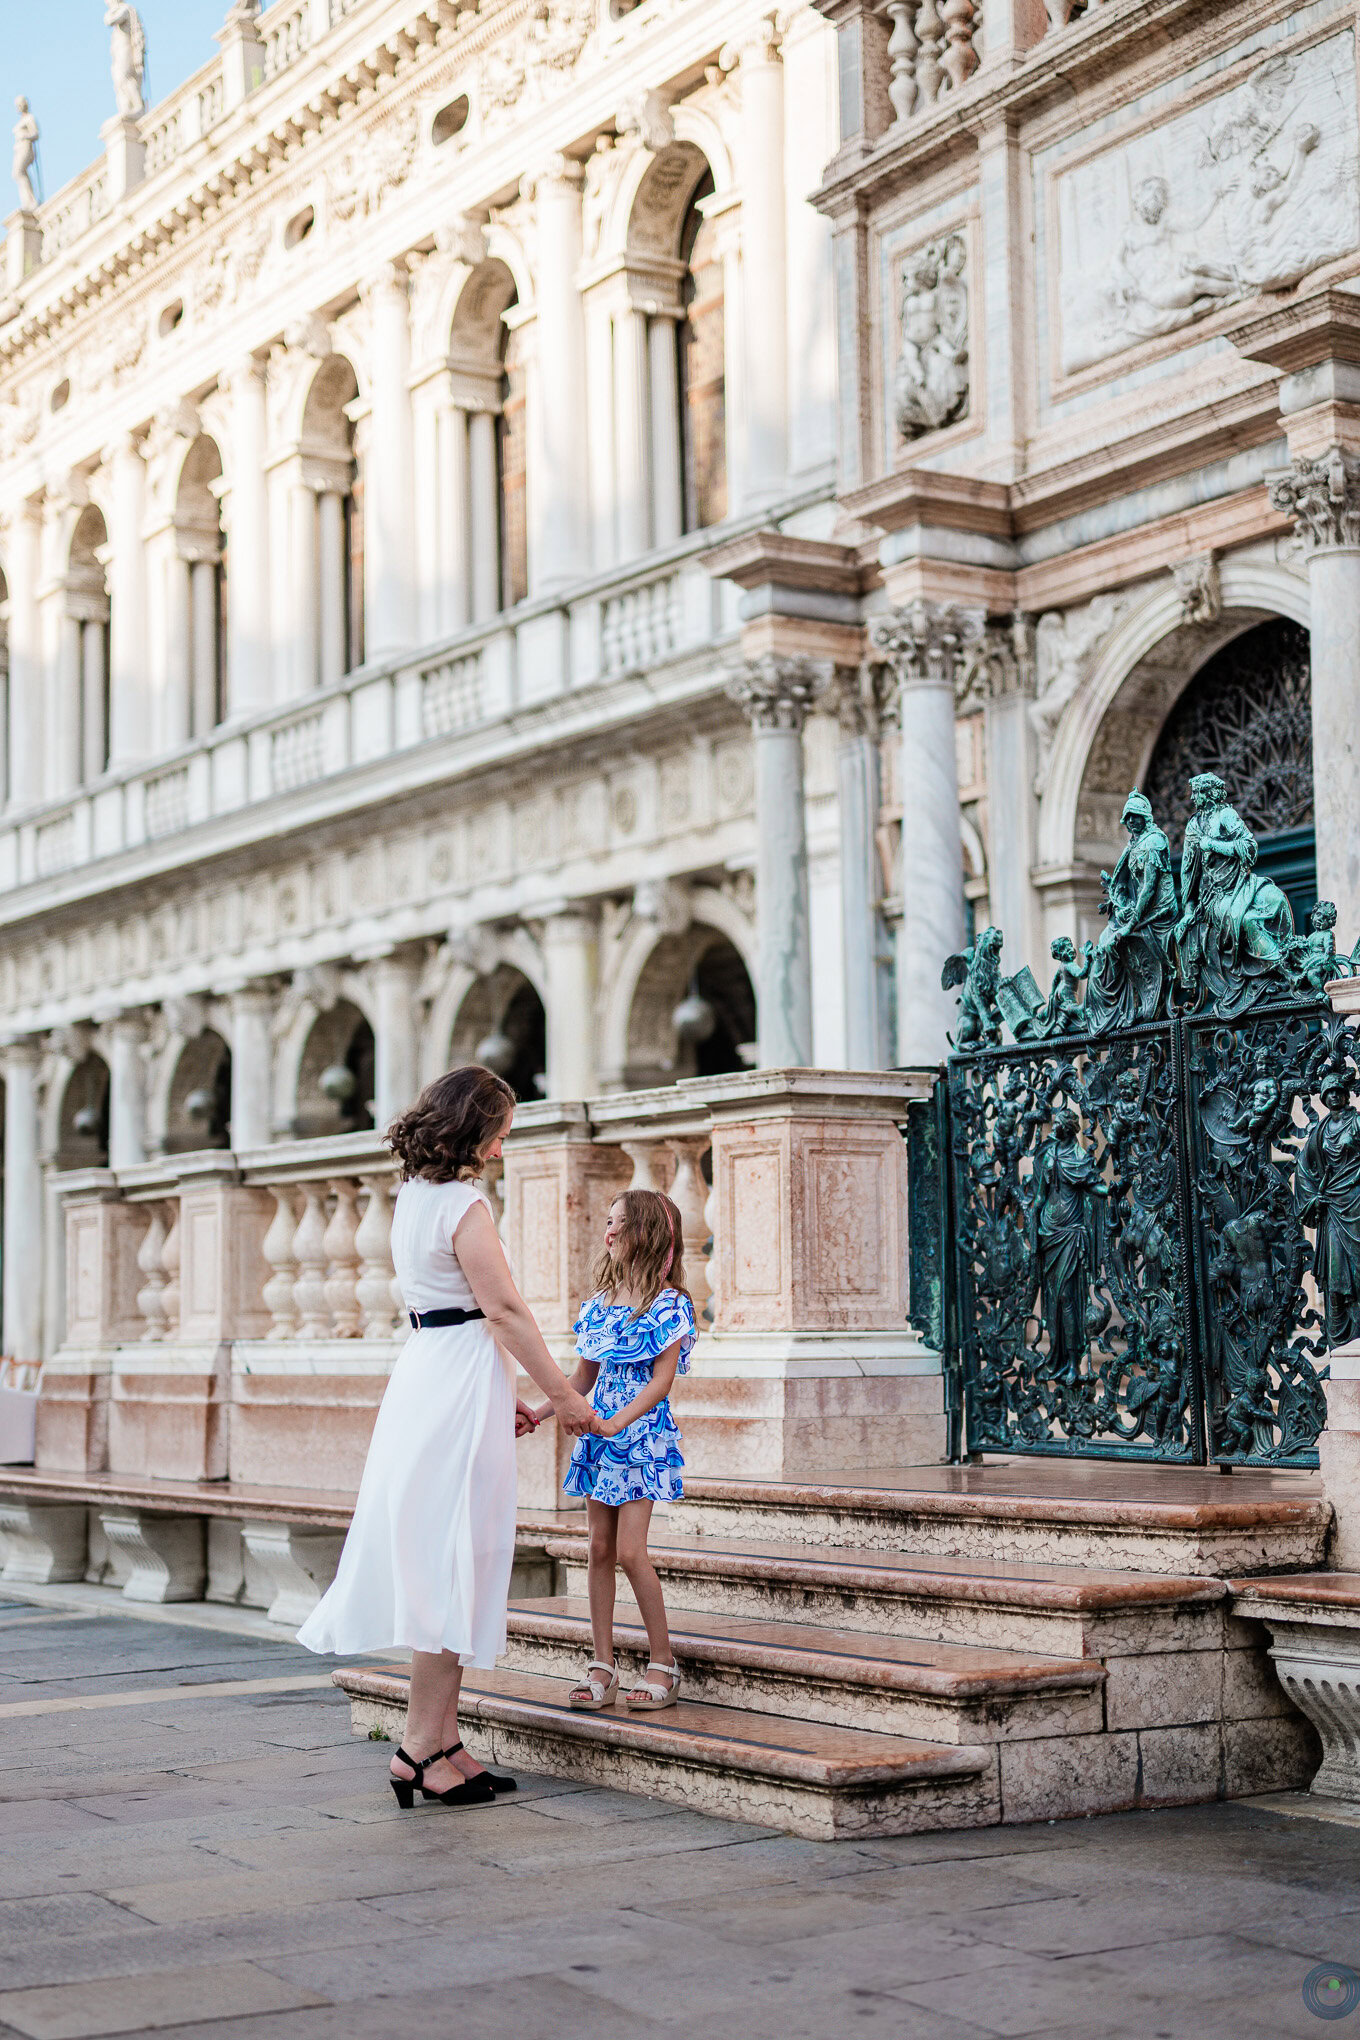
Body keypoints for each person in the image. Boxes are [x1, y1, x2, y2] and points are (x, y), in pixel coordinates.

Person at [297, 1065, 599, 1811]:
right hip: (459, 1371)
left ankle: (442, 1742)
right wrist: (563, 1398)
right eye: (500, 1134)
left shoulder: (413, 1197)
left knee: (456, 1558)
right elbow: (504, 1310)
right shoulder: (464, 1202)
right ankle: (416, 1749)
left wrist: (510, 1399)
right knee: (451, 1560)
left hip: (437, 1371)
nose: (502, 1149)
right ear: (474, 1131)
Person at [533, 1189, 696, 1714]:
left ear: (645, 1234)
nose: (608, 1232)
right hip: (598, 1437)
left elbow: (661, 1384)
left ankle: (664, 1663)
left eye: (619, 1223)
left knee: (630, 1551)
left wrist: (616, 1422)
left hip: (640, 1437)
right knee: (598, 1550)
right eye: (607, 1221)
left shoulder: (670, 1306)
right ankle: (602, 1664)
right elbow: (581, 1377)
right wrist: (538, 1413)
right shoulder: (599, 1307)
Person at [1083, 791, 1178, 1033]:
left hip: (1157, 914)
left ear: (1145, 817)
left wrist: (1130, 922)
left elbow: (1148, 888)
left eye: (1136, 816)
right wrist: (1123, 905)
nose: (1132, 821)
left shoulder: (1154, 841)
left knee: (1116, 941)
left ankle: (1128, 1005)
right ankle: (1113, 1008)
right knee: (1104, 945)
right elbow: (1123, 882)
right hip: (1137, 912)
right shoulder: (1133, 844)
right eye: (1129, 818)